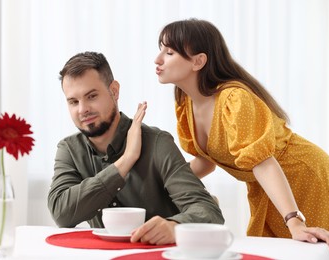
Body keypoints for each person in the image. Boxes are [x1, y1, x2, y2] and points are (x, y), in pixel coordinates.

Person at [154, 18, 329, 252]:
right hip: (268, 187)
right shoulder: (186, 103)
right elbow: (206, 162)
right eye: (160, 50)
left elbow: (263, 162)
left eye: (169, 52)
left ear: (198, 61)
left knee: (316, 250)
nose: (158, 59)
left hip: (304, 177)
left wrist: (294, 219)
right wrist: (160, 188)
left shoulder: (233, 99)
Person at [47, 51, 224, 245]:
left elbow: (209, 211)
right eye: (73, 101)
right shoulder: (69, 149)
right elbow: (62, 214)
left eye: (91, 96)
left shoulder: (157, 142)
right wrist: (126, 161)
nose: (82, 109)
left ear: (114, 91)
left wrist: (175, 226)